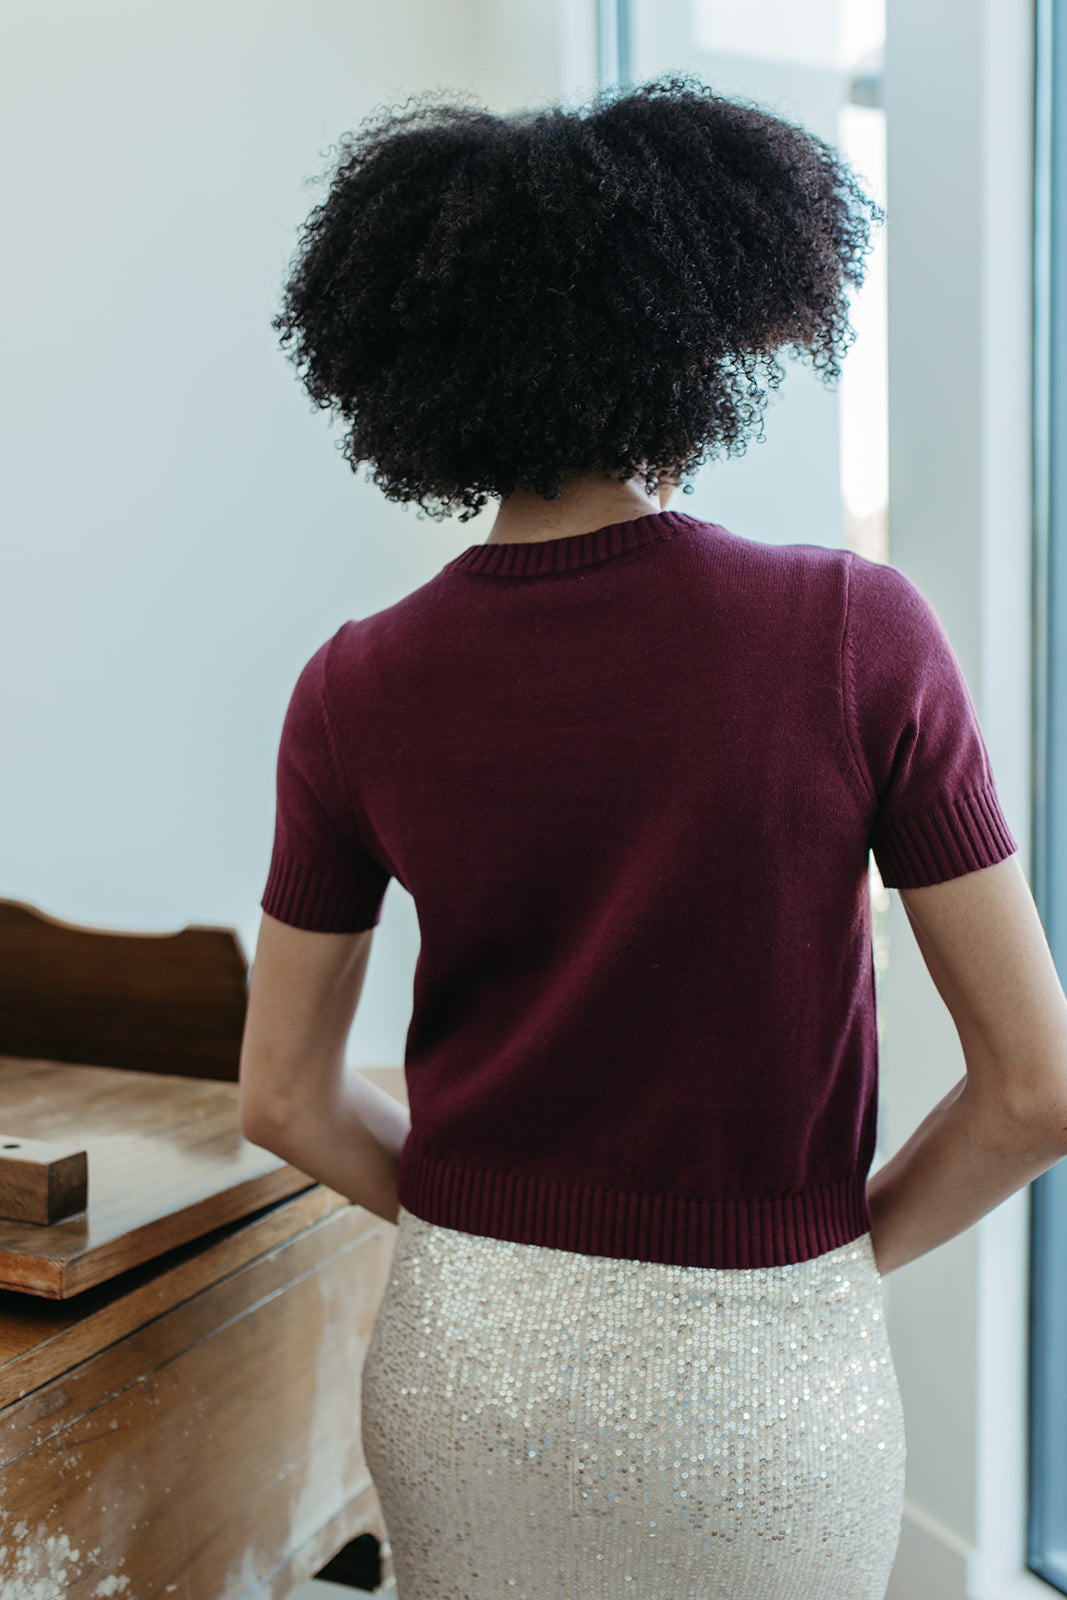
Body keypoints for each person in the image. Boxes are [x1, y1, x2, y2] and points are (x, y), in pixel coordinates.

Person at [236, 74, 1067, 1600]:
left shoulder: (354, 684)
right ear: (699, 342)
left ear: (421, 374)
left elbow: (283, 1102)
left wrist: (488, 1230)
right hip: (767, 1386)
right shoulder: (853, 631)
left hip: (464, 1360)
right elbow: (1039, 1087)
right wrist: (822, 1258)